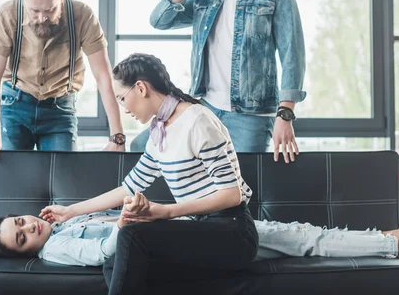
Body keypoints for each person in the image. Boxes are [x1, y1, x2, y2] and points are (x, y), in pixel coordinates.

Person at [37, 53, 259, 295]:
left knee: (132, 237)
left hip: (233, 232)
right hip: (201, 228)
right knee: (114, 261)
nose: (123, 108)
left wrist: (166, 211)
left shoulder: (197, 121)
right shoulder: (159, 132)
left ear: (140, 88)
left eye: (122, 98)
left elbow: (231, 195)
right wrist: (69, 211)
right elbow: (127, 188)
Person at [136, 0, 306, 164]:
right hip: (205, 108)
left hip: (251, 117)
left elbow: (292, 55)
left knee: (242, 193)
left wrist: (285, 115)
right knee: (145, 150)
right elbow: (159, 19)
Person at [0, 199, 399, 267]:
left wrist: (73, 211)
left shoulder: (65, 226)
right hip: (195, 243)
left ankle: (390, 234)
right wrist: (127, 220)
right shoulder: (58, 250)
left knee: (296, 235)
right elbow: (106, 254)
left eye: (20, 221)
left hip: (194, 232)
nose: (29, 228)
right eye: (21, 236)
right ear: (25, 251)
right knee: (300, 239)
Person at [0, 0, 126, 173]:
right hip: (15, 105)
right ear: (24, 0)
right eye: (34, 11)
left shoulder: (82, 15)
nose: (41, 17)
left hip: (60, 110)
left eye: (49, 10)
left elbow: (103, 76)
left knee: (63, 182)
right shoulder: (8, 14)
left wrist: (117, 136)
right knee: (15, 183)